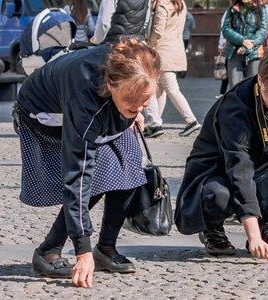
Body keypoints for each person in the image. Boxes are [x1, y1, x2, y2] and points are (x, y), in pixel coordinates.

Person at [14, 38, 160, 288]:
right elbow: (77, 177)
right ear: (111, 85)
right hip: (45, 114)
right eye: (132, 104)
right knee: (97, 177)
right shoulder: (84, 101)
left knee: (129, 166)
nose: (140, 108)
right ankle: (48, 250)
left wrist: (133, 111)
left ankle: (106, 249)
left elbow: (137, 88)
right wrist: (82, 250)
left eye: (145, 102)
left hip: (103, 103)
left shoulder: (131, 62)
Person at [175, 43, 268, 262]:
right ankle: (213, 228)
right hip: (217, 175)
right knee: (220, 195)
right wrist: (252, 235)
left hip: (260, 168)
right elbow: (240, 168)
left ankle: (266, 222)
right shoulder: (235, 107)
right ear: (261, 79)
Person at [141, 0, 201, 138]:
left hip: (162, 51)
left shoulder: (163, 4)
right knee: (160, 90)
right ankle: (155, 124)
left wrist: (149, 44)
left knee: (170, 89)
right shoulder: (181, 3)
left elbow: (157, 30)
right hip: (175, 49)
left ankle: (191, 120)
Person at [222, 0, 268, 90]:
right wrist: (242, 40)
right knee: (235, 88)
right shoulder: (233, 8)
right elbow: (225, 29)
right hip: (234, 52)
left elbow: (261, 34)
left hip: (254, 54)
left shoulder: (261, 8)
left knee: (253, 89)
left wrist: (245, 48)